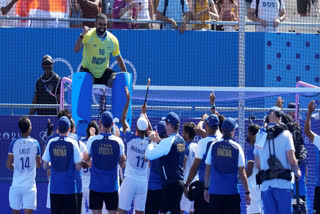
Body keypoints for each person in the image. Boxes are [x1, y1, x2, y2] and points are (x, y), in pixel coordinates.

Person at [254, 106, 301, 214]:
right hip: (283, 184)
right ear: (280, 118)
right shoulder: (286, 134)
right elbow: (292, 160)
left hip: (266, 185)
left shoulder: (259, 135)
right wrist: (296, 172)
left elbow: (257, 163)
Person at [204, 118, 251, 214]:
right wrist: (247, 192)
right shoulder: (237, 147)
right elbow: (242, 173)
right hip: (232, 192)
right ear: (232, 131)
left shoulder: (213, 145)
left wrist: (206, 188)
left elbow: (208, 170)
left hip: (215, 193)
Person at [83, 111, 126, 214]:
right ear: (112, 125)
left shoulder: (92, 140)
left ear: (100, 123)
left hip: (95, 186)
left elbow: (85, 158)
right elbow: (122, 162)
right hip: (112, 187)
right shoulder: (118, 141)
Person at [119, 86, 151, 214]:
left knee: (121, 210)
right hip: (143, 182)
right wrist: (145, 115)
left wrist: (128, 101)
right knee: (140, 212)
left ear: (136, 128)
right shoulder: (149, 142)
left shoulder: (131, 138)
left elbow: (123, 120)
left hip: (130, 180)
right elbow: (151, 132)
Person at [145, 112, 185, 214]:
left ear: (169, 125)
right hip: (179, 183)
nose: (165, 126)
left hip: (170, 185)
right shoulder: (181, 140)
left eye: (166, 124)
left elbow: (149, 155)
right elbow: (169, 151)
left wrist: (151, 142)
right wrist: (158, 141)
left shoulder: (167, 142)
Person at [74, 13, 127, 88]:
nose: (102, 27)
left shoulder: (113, 40)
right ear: (95, 24)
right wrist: (82, 35)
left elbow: (119, 59)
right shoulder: (88, 35)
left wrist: (126, 78)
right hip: (87, 71)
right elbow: (76, 50)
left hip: (103, 73)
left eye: (104, 25)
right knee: (84, 81)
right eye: (100, 24)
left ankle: (122, 100)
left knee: (118, 80)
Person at [42, 116, 82, 214]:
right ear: (69, 128)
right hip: (70, 188)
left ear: (58, 129)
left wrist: (55, 162)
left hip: (55, 188)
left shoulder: (51, 142)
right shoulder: (73, 143)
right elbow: (78, 167)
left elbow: (44, 166)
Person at [184, 114, 222, 214]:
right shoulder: (221, 139)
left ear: (207, 126)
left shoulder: (203, 142)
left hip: (204, 188)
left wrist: (186, 184)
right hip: (218, 188)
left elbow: (194, 168)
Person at [7, 116, 42, 214]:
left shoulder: (14, 143)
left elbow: (8, 165)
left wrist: (18, 169)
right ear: (29, 128)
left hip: (16, 185)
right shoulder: (35, 143)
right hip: (29, 187)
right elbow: (39, 165)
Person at [145, 120, 167, 214]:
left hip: (153, 189)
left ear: (157, 132)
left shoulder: (152, 147)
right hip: (165, 189)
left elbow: (146, 158)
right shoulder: (169, 146)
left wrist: (151, 141)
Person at [180, 122, 198, 214]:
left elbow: (181, 165)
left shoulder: (185, 147)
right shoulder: (197, 146)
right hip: (195, 185)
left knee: (179, 210)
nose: (182, 134)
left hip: (185, 185)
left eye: (183, 131)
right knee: (192, 211)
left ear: (186, 133)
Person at [246, 124, 262, 214]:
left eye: (248, 133)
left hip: (254, 186)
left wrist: (240, 177)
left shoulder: (252, 149)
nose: (247, 135)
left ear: (251, 134)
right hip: (260, 185)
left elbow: (249, 170)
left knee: (253, 211)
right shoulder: (261, 148)